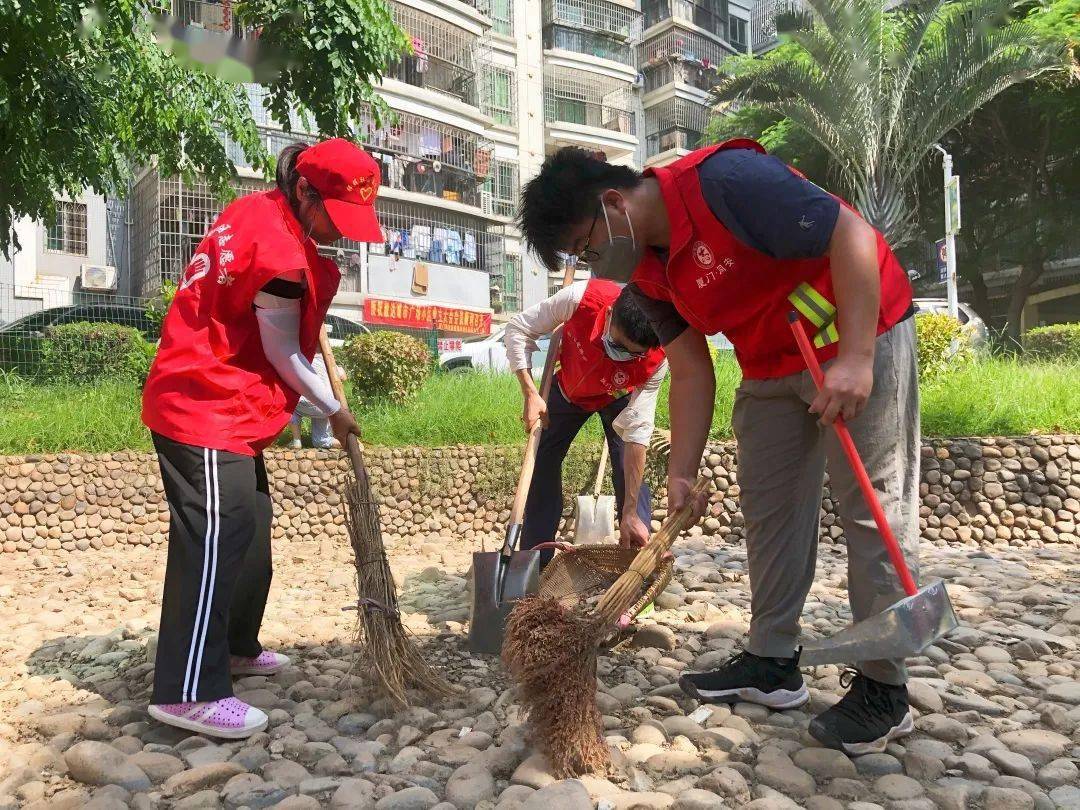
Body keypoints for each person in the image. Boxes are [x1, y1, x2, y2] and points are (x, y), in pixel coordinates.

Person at [517, 143, 919, 755]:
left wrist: (860, 357)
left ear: (614, 203)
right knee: (771, 513)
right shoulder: (645, 274)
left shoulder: (726, 183)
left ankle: (885, 688)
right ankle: (772, 661)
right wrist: (681, 472)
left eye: (586, 247)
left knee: (871, 511)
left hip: (859, 331)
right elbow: (690, 368)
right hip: (769, 362)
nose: (593, 262)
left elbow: (852, 234)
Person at [141, 138, 384, 738]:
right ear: (304, 191)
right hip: (203, 399)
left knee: (252, 523)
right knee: (215, 535)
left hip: (233, 403)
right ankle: (188, 689)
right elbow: (280, 350)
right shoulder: (278, 252)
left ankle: (237, 645)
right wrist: (332, 408)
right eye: (334, 216)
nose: (341, 232)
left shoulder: (259, 211)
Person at [504, 276, 667, 554]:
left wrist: (628, 510)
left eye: (631, 353)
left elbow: (638, 433)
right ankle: (535, 556)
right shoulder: (581, 298)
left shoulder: (657, 361)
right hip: (569, 387)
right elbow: (518, 329)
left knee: (628, 468)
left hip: (618, 395)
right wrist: (530, 393)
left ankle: (636, 550)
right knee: (542, 457)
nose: (620, 354)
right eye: (616, 343)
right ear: (611, 312)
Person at [287, 353, 346, 450]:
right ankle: (350, 442)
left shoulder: (299, 356)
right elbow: (343, 376)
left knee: (287, 405)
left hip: (305, 402)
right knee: (321, 441)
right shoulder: (328, 359)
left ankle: (296, 441)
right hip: (327, 406)